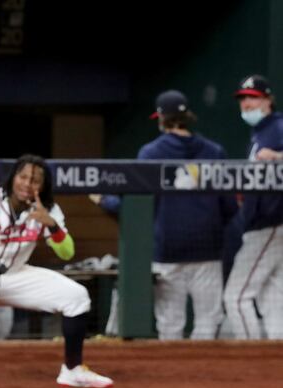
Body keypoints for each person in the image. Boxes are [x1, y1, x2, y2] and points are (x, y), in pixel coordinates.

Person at [0, 154, 113, 388]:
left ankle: (72, 370)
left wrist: (50, 224)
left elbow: (66, 253)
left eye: (35, 180)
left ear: (43, 186)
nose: (27, 183)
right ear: (13, 178)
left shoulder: (48, 209)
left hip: (15, 275)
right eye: (23, 177)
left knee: (76, 296)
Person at [95, 91, 237, 340]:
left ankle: (176, 378)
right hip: (208, 251)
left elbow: (134, 207)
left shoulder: (151, 153)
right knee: (208, 321)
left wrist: (103, 200)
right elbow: (230, 207)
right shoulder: (214, 151)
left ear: (162, 118)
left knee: (170, 324)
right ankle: (202, 377)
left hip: (168, 251)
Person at [224, 75, 283, 339]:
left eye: (253, 97)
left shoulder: (279, 126)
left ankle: (250, 357)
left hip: (271, 222)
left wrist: (280, 157)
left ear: (268, 99)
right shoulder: (260, 132)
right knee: (273, 295)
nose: (247, 103)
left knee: (236, 296)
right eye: (243, 98)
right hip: (262, 221)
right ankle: (273, 364)